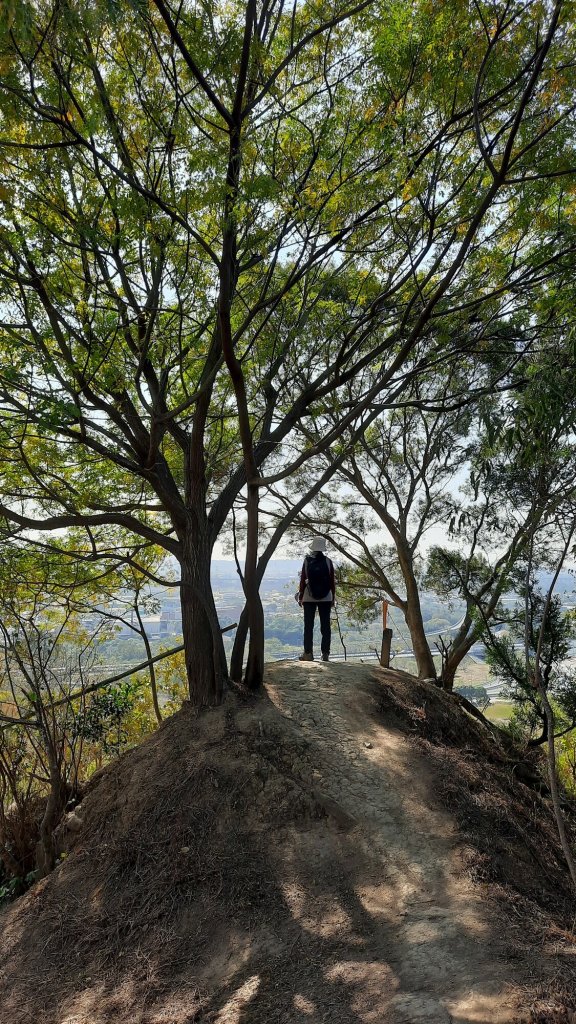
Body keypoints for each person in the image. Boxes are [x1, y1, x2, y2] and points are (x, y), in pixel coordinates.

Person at [296, 536, 335, 662]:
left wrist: (301, 596)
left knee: (308, 626)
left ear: (313, 547)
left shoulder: (307, 561)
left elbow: (303, 580)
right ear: (323, 548)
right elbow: (331, 582)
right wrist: (332, 597)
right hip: (326, 597)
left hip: (309, 597)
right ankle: (325, 654)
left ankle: (308, 653)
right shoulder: (328, 562)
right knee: (325, 626)